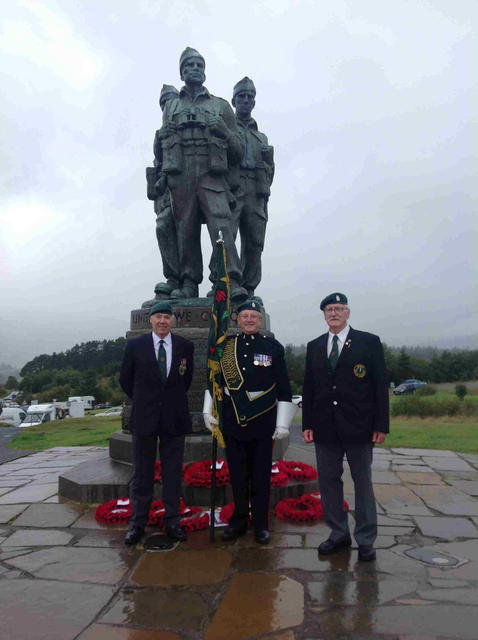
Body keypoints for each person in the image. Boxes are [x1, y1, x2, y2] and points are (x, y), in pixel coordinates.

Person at [302, 293, 389, 561]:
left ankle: (365, 540)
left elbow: (379, 386)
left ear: (348, 313)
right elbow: (309, 388)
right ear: (324, 314)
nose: (334, 313)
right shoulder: (315, 345)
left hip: (359, 427)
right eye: (329, 309)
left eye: (339, 308)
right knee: (328, 483)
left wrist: (381, 425)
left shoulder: (368, 342)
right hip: (325, 428)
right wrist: (307, 423)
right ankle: (338, 533)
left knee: (363, 483)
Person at [158, 47, 247, 302]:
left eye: (198, 65)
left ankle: (229, 281)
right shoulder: (171, 106)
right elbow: (164, 146)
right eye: (189, 66)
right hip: (182, 173)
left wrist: (225, 133)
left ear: (205, 72)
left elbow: (238, 152)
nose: (194, 69)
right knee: (184, 229)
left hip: (211, 173)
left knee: (222, 227)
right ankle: (188, 283)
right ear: (182, 73)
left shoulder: (221, 106)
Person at [204, 300, 295, 544]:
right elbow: (215, 383)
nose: (250, 320)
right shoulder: (226, 348)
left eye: (254, 316)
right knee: (238, 476)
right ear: (238, 319)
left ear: (260, 319)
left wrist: (283, 423)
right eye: (245, 316)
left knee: (261, 476)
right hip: (233, 422)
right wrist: (208, 411)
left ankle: (261, 525)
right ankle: (239, 521)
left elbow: (284, 387)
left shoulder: (272, 347)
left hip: (263, 423)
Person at [120, 301, 194, 545]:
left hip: (174, 418)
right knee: (142, 474)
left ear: (173, 320)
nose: (163, 321)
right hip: (145, 419)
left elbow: (186, 379)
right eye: (158, 317)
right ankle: (138, 523)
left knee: (173, 473)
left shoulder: (185, 346)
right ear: (150, 320)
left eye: (167, 317)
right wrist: (147, 400)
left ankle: (173, 520)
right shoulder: (135, 346)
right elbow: (125, 381)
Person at [231, 77, 274, 301]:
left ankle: (248, 288)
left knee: (255, 242)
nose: (246, 101)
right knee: (226, 238)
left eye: (250, 97)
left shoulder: (261, 137)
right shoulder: (227, 128)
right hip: (232, 187)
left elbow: (270, 167)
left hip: (256, 191)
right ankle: (228, 284)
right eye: (241, 97)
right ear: (234, 101)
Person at [146, 84, 181, 300]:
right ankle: (173, 279)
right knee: (164, 226)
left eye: (171, 100)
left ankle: (223, 283)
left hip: (196, 189)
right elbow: (158, 166)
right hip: (168, 198)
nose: (168, 105)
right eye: (164, 102)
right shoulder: (160, 136)